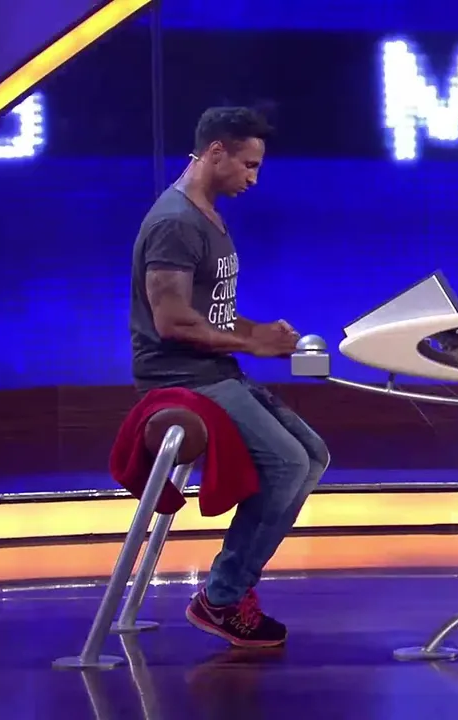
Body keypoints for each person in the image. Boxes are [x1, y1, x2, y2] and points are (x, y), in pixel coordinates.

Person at [129, 106, 330, 648]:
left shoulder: (207, 216)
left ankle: (229, 590)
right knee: (288, 463)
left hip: (213, 369)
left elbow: (208, 313)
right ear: (215, 151)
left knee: (312, 454)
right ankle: (222, 597)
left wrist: (258, 331)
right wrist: (253, 345)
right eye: (248, 165)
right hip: (180, 377)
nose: (253, 178)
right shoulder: (175, 222)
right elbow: (173, 321)